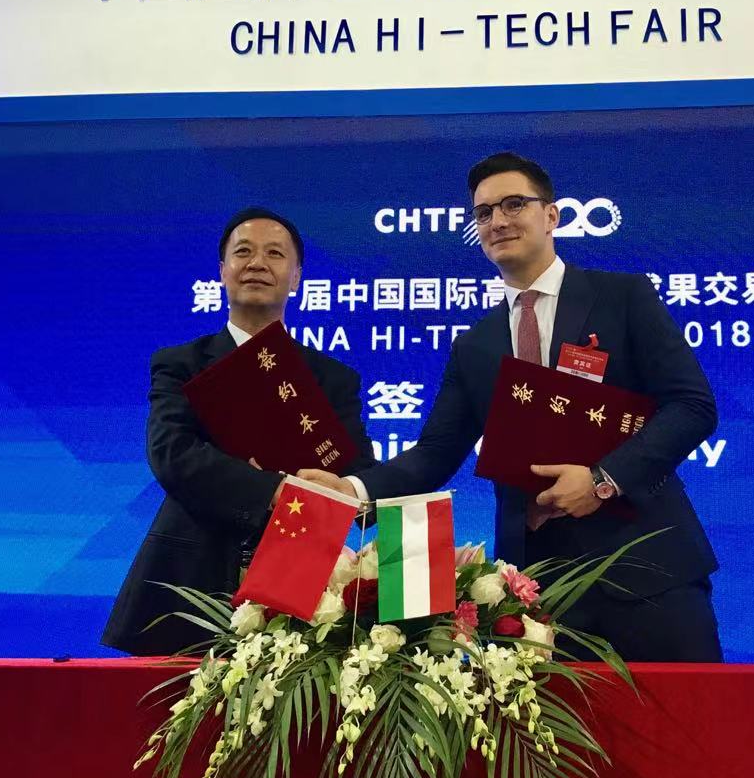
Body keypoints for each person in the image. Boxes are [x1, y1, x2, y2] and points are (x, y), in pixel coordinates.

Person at [301, 153, 721, 662]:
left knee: (690, 713)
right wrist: (351, 489)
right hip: (541, 595)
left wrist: (603, 479)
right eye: (483, 213)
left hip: (650, 570)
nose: (498, 221)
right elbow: (433, 454)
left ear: (552, 215)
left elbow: (692, 405)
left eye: (514, 204)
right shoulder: (476, 346)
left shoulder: (622, 298)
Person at [103, 207, 375, 655]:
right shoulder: (182, 364)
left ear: (296, 277)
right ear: (222, 271)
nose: (257, 263)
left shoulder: (332, 379)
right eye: (243, 252)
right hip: (189, 583)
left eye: (275, 254)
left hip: (302, 583)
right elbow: (172, 454)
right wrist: (274, 490)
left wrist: (343, 489)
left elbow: (358, 475)